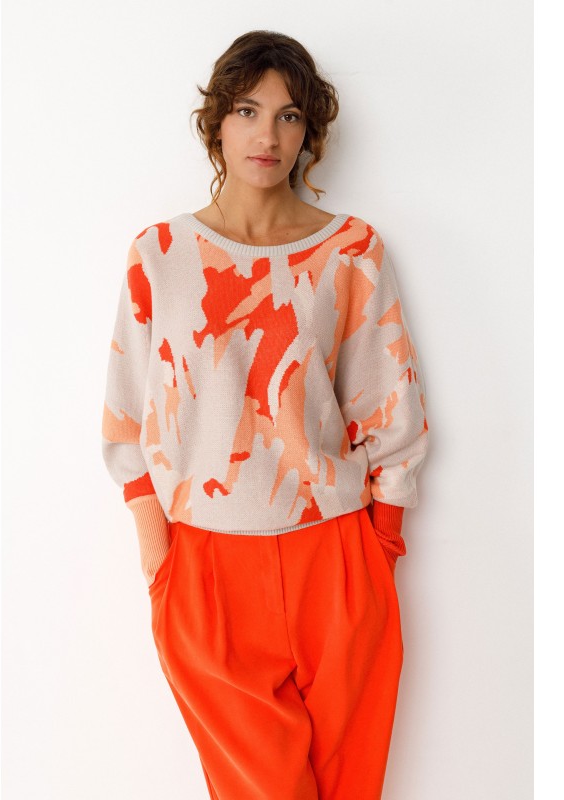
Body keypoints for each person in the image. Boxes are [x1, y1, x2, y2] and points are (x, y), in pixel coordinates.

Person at [101, 29, 430, 800]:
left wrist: (381, 542)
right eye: (248, 110)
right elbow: (124, 418)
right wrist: (160, 557)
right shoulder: (159, 255)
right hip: (206, 567)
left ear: (309, 131)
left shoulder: (351, 251)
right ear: (216, 122)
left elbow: (388, 401)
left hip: (337, 555)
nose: (268, 135)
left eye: (289, 116)